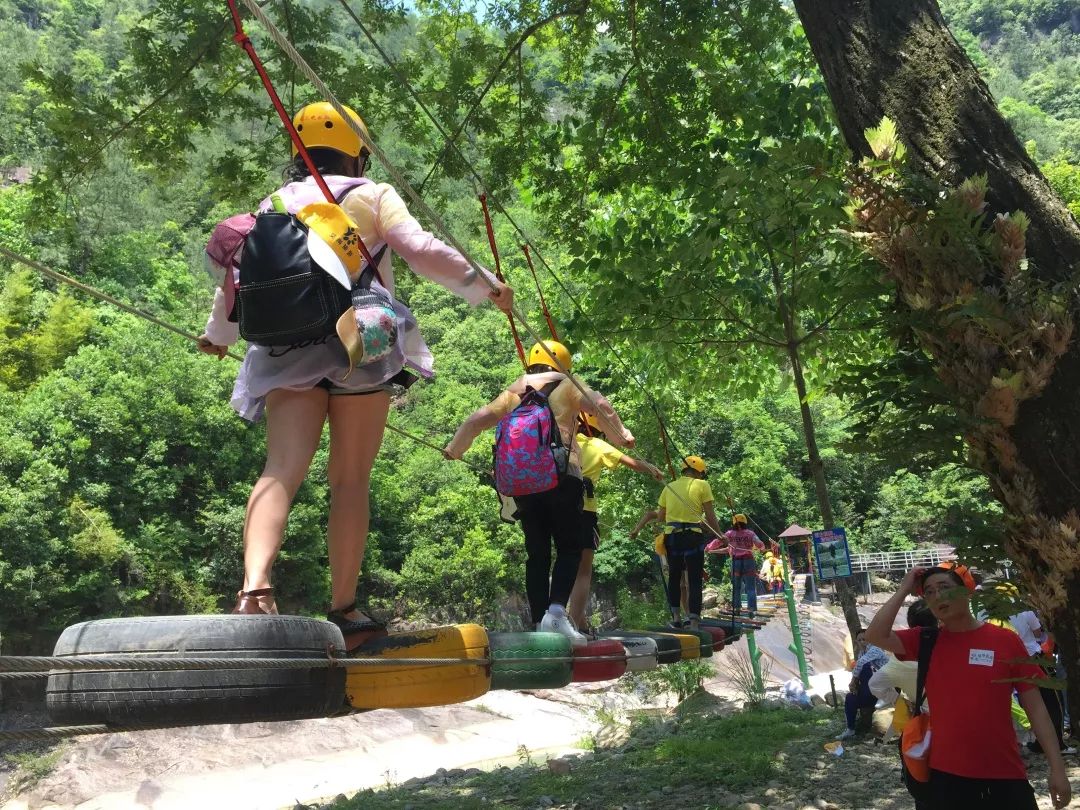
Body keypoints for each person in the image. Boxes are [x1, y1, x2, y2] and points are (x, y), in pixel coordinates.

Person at [197, 102, 513, 638]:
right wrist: (484, 284)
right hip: (359, 351)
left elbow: (241, 282)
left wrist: (218, 337)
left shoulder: (273, 202)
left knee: (281, 468)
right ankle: (343, 607)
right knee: (349, 481)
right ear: (358, 149)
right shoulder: (372, 194)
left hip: (287, 351)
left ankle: (254, 589)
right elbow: (420, 251)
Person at [443, 340, 632, 645]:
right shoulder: (567, 383)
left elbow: (477, 420)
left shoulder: (515, 390)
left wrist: (455, 448)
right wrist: (621, 435)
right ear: (563, 363)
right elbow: (602, 407)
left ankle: (537, 622)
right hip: (562, 477)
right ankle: (556, 616)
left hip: (523, 484)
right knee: (570, 548)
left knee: (537, 552)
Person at [865, 564, 1072, 810]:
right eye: (929, 592)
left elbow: (1036, 709)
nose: (937, 596)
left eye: (945, 587)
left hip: (1004, 772)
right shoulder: (926, 640)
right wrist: (903, 589)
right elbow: (874, 635)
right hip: (945, 777)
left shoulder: (1005, 641)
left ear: (966, 592)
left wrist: (1057, 768)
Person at [566, 413, 663, 631]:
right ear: (593, 430)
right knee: (583, 571)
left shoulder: (561, 443)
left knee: (566, 565)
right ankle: (573, 625)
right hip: (584, 511)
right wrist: (652, 469)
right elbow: (632, 462)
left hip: (557, 512)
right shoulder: (596, 444)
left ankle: (577, 621)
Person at [654, 456, 724, 629]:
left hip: (673, 538)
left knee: (675, 578)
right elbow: (710, 515)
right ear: (699, 471)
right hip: (693, 536)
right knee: (694, 580)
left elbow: (661, 517)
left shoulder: (669, 487)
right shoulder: (703, 485)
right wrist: (719, 534)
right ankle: (693, 621)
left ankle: (676, 618)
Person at [868, 598, 937, 713]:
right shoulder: (951, 648)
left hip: (924, 718)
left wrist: (899, 701)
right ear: (937, 621)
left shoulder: (898, 662)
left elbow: (874, 684)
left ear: (910, 624)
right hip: (953, 716)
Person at [836, 629, 890, 740]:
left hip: (887, 687)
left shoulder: (875, 649)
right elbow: (857, 667)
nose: (862, 642)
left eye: (864, 639)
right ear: (856, 642)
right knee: (850, 698)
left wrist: (853, 681)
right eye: (859, 640)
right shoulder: (862, 653)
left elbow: (861, 664)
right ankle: (850, 729)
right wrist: (854, 684)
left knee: (864, 667)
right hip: (872, 689)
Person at [723, 514, 765, 617]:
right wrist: (762, 547)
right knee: (750, 587)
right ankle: (752, 609)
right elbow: (759, 543)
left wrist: (709, 547)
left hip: (736, 561)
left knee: (736, 587)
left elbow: (719, 540)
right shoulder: (750, 533)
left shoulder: (729, 533)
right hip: (748, 561)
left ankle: (737, 608)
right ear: (745, 522)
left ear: (733, 522)